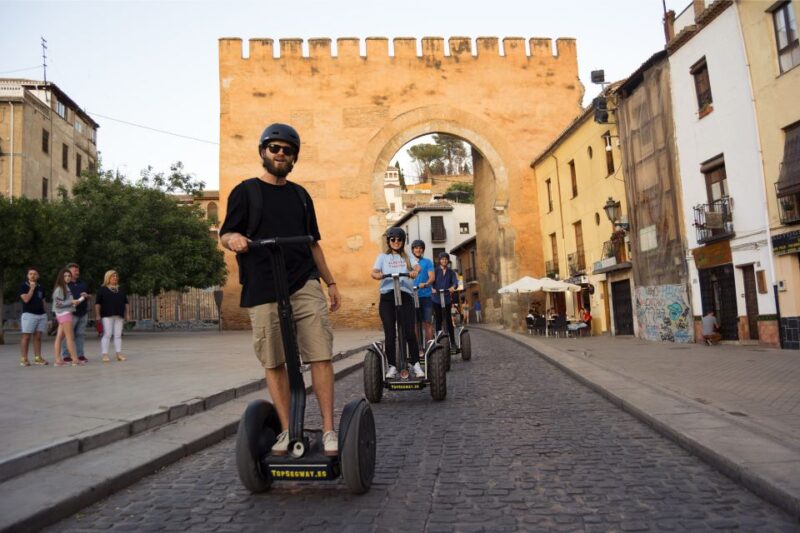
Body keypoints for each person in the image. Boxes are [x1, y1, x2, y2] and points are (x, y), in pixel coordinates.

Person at [219, 123, 342, 458]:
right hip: (262, 285)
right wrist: (235, 241)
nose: (280, 154)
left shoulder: (301, 196)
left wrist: (330, 282)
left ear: (294, 157)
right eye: (274, 148)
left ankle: (330, 429)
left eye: (287, 150)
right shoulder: (245, 192)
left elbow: (313, 243)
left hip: (303, 281)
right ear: (263, 152)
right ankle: (288, 429)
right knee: (273, 360)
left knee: (320, 353)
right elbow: (226, 232)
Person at [372, 227, 422, 378]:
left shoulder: (407, 257)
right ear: (389, 241)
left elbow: (416, 266)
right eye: (393, 239)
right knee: (390, 332)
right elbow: (374, 271)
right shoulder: (382, 257)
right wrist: (377, 275)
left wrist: (415, 271)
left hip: (405, 296)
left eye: (399, 239)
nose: (396, 242)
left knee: (409, 331)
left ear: (402, 241)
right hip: (387, 297)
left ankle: (415, 364)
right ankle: (392, 365)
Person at [52, 268, 84, 367]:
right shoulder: (60, 288)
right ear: (61, 277)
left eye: (69, 276)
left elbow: (63, 302)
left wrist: (74, 302)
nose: (67, 278)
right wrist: (71, 302)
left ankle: (58, 360)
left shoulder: (65, 287)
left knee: (60, 337)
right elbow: (58, 304)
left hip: (63, 313)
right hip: (64, 314)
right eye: (65, 276)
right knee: (70, 337)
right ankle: (75, 359)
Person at [95, 270, 129, 362]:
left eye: (116, 276)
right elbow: (98, 303)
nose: (115, 278)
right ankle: (105, 354)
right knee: (107, 334)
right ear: (108, 278)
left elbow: (126, 302)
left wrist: (127, 314)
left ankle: (119, 354)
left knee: (118, 335)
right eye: (113, 276)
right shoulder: (102, 289)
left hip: (119, 314)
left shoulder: (121, 289)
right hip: (107, 315)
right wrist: (97, 315)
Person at [18, 267, 49, 366]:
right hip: (29, 314)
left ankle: (37, 358)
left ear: (38, 276)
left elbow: (43, 301)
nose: (32, 275)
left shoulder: (41, 287)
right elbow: (26, 299)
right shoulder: (23, 286)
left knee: (38, 337)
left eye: (35, 274)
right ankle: (24, 359)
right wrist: (31, 288)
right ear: (27, 276)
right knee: (26, 337)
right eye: (30, 274)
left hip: (41, 315)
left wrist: (45, 314)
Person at [61, 263, 90, 364]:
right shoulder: (64, 285)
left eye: (78, 271)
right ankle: (66, 355)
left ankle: (80, 355)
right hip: (70, 313)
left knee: (80, 335)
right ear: (68, 272)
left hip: (83, 313)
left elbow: (88, 296)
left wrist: (86, 295)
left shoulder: (83, 283)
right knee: (68, 335)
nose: (77, 272)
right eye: (74, 271)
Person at [410, 239, 435, 353]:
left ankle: (430, 348)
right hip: (412, 296)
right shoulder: (408, 263)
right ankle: (418, 349)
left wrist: (426, 284)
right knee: (415, 324)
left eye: (420, 248)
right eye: (416, 248)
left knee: (427, 323)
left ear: (423, 250)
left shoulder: (428, 262)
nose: (418, 249)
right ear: (413, 249)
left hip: (425, 296)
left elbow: (432, 277)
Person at [432, 252, 458, 346]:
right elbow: (430, 280)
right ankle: (438, 341)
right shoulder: (435, 271)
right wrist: (432, 288)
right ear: (439, 260)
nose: (444, 260)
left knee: (448, 320)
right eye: (442, 259)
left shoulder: (451, 272)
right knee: (438, 320)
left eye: (446, 259)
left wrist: (453, 287)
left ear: (448, 260)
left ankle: (453, 341)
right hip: (436, 299)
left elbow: (455, 282)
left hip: (446, 298)